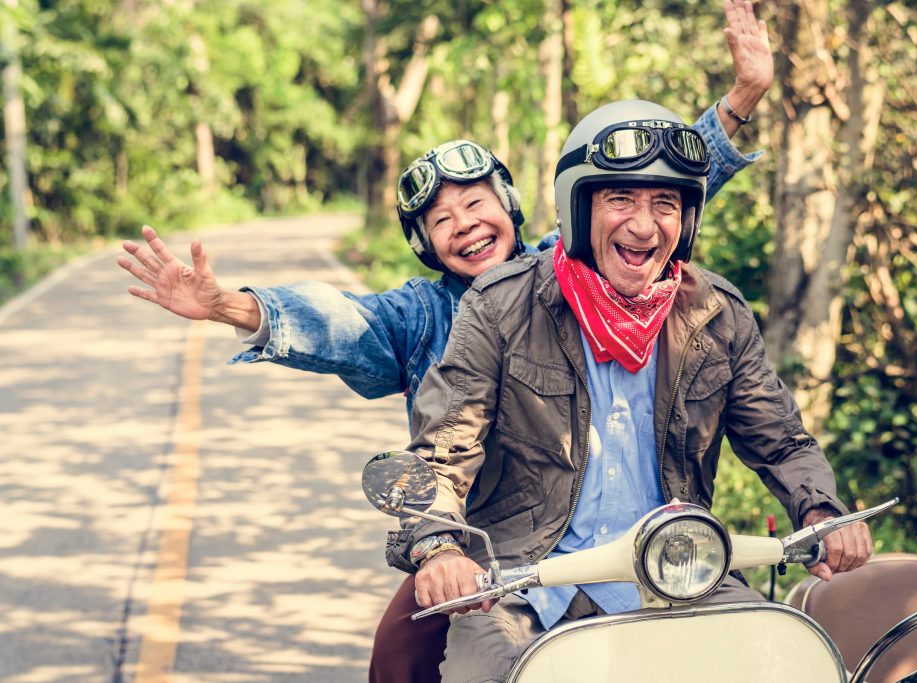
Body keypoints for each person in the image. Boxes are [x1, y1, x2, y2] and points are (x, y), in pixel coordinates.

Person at [117, 4, 773, 679]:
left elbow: (653, 194)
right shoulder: (423, 314)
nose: (464, 224)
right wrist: (229, 304)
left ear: (514, 206)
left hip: (625, 537)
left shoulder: (571, 269)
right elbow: (337, 321)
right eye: (441, 218)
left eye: (476, 202)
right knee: (397, 658)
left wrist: (742, 99)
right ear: (424, 243)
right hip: (475, 544)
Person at [387, 97, 875, 682]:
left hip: (682, 571)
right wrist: (439, 548)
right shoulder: (498, 305)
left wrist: (821, 509)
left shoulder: (718, 315)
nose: (644, 225)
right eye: (620, 199)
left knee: (783, 666)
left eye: (665, 204)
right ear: (577, 207)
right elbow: (442, 453)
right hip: (525, 586)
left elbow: (781, 441)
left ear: (686, 219)